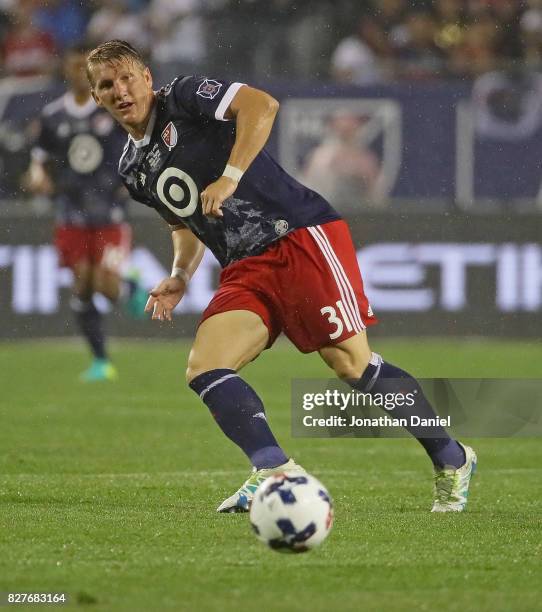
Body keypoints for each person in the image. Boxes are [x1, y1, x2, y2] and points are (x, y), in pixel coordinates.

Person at [86, 39, 477, 513]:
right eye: (107, 85)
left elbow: (261, 105)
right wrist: (180, 274)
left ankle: (451, 457)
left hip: (297, 234)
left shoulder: (184, 97)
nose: (120, 90)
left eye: (127, 77)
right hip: (244, 264)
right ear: (97, 96)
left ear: (146, 77)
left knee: (351, 365)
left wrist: (230, 175)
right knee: (205, 368)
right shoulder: (132, 167)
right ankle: (274, 469)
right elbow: (181, 223)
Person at [26, 45, 147, 382]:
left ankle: (128, 285)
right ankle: (100, 360)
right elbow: (39, 156)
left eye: (86, 68)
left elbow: (138, 142)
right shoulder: (53, 116)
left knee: (105, 286)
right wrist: (38, 175)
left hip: (109, 209)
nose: (80, 73)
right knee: (81, 285)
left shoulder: (112, 110)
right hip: (71, 209)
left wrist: (132, 179)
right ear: (66, 70)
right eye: (75, 67)